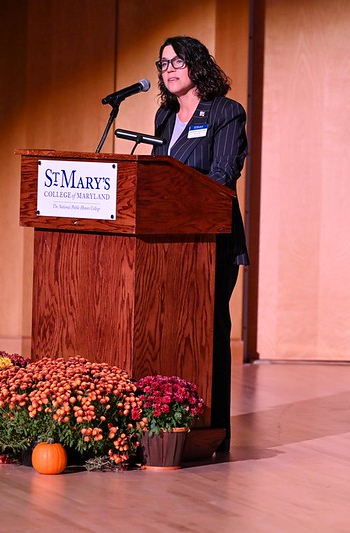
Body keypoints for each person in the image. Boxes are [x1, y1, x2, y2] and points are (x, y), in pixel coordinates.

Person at [151, 36, 248, 453]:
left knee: (208, 331)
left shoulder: (226, 112)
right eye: (163, 63)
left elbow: (223, 175)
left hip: (211, 242)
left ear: (198, 65)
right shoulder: (163, 115)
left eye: (178, 61)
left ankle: (214, 427)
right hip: (165, 244)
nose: (169, 69)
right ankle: (167, 422)